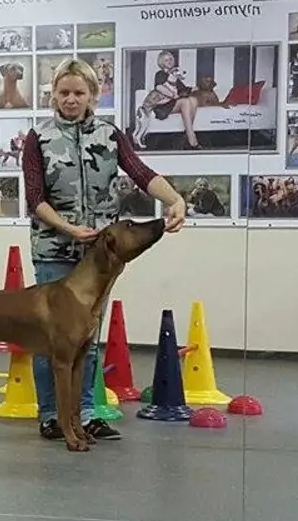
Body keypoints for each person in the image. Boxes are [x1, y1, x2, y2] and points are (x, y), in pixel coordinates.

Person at [22, 57, 185, 443]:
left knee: (87, 341)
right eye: (64, 93)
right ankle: (50, 415)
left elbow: (141, 173)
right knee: (51, 342)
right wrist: (65, 227)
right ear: (54, 95)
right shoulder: (38, 138)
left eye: (79, 92)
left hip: (100, 258)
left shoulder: (111, 135)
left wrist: (175, 199)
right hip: (54, 251)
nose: (71, 100)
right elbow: (34, 197)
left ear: (93, 94)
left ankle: (86, 413)